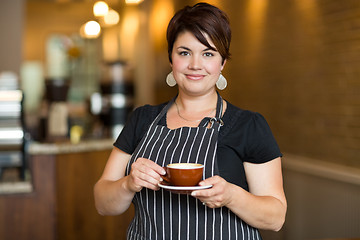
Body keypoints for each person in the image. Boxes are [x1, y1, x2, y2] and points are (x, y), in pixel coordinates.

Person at [94, 2, 287, 239]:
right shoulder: (143, 119)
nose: (195, 65)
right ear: (170, 59)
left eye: (208, 54)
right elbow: (103, 203)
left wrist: (231, 196)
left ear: (222, 63)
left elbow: (276, 217)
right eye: (184, 52)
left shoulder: (248, 126)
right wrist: (128, 184)